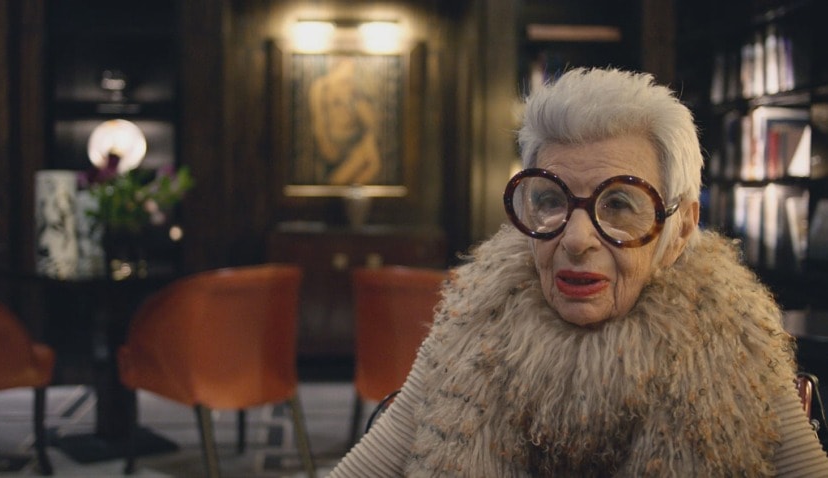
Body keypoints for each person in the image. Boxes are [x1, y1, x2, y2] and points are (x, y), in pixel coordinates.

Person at [328, 68, 828, 476]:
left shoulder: (732, 339)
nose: (576, 238)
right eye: (549, 200)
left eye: (619, 203)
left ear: (680, 230)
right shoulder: (472, 320)